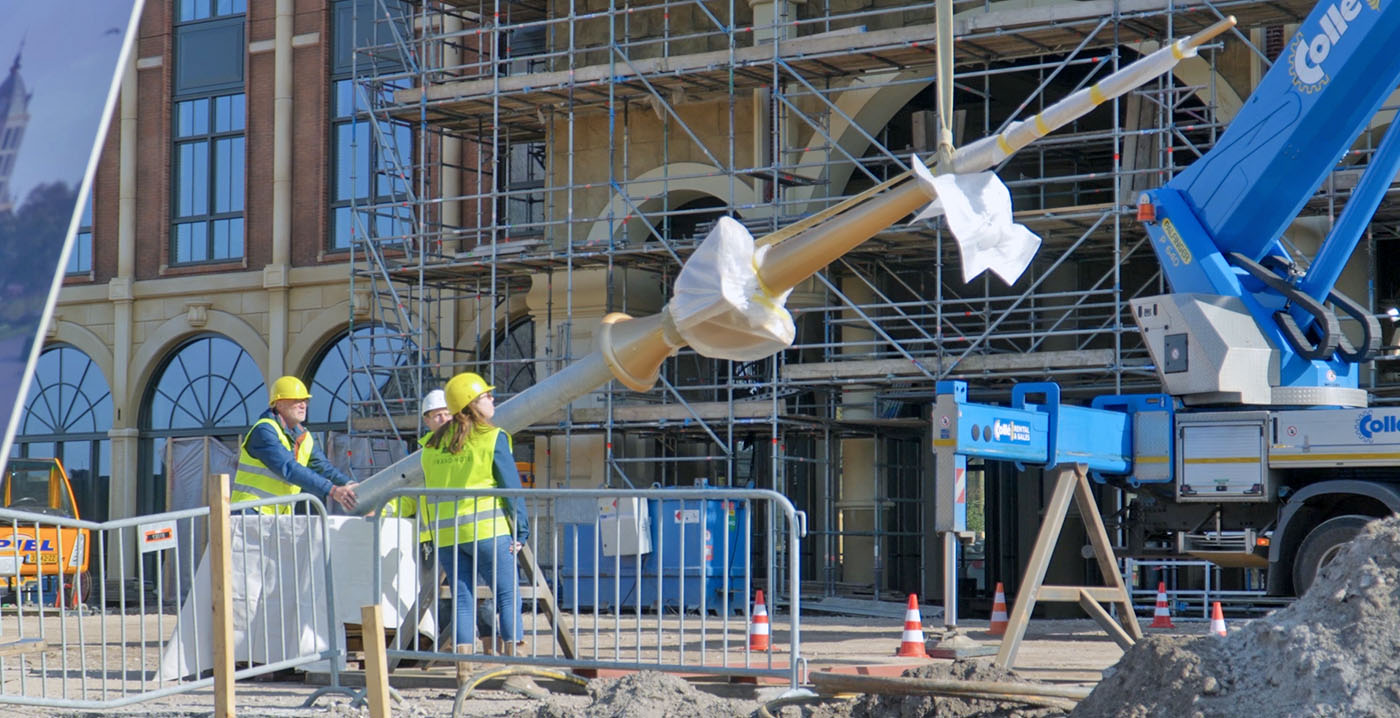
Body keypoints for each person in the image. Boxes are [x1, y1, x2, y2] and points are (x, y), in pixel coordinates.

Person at [419, 371, 541, 695]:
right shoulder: (492, 437)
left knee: (462, 600)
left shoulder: (432, 446)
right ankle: (517, 673)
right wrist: (522, 528)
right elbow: (511, 490)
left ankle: (464, 678)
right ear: (471, 404)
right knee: (507, 596)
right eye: (486, 395)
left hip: (447, 535)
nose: (492, 399)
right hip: (488, 532)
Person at [231, 376, 358, 514]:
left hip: (276, 516)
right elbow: (289, 468)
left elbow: (324, 468)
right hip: (249, 512)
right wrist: (333, 491)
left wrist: (350, 485)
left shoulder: (304, 437)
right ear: (278, 404)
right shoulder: (263, 431)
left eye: (305, 400)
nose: (303, 405)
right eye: (296, 400)